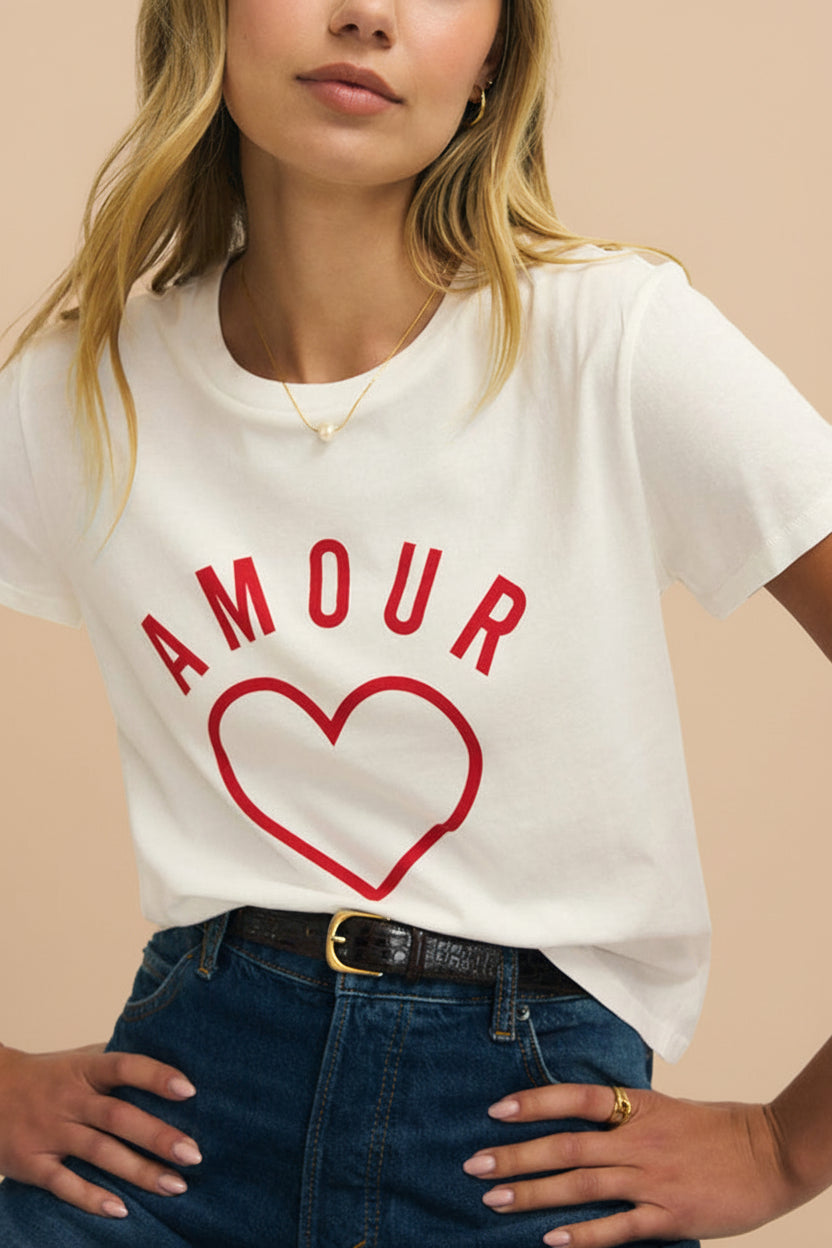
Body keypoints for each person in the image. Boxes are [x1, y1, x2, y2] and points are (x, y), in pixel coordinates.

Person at [1, 1, 831, 1245]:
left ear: (495, 52)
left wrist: (790, 1145)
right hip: (178, 1125)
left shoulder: (609, 343)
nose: (366, 15)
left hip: (527, 1140)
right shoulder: (80, 393)